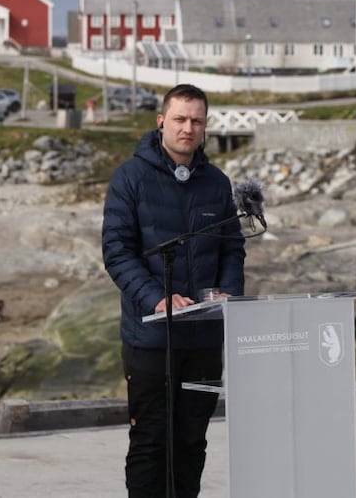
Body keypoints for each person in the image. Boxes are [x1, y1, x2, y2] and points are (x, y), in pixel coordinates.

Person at [102, 83, 246, 498]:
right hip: (150, 339)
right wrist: (156, 298)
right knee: (150, 443)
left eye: (196, 120)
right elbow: (116, 251)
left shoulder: (218, 184)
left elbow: (232, 247)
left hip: (202, 340)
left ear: (205, 126)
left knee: (191, 443)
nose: (188, 128)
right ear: (161, 121)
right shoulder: (130, 178)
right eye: (180, 119)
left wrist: (228, 295)